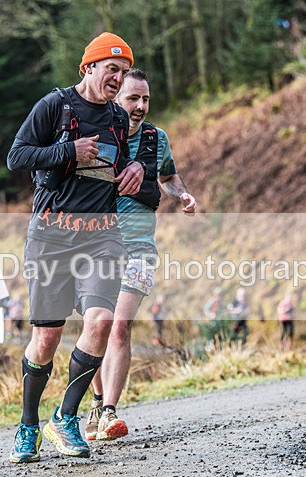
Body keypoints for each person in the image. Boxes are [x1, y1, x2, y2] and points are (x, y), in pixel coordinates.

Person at [5, 32, 144, 463]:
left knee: (101, 321)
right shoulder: (55, 107)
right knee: (47, 337)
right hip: (50, 235)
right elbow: (17, 156)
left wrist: (135, 168)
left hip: (101, 236)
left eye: (123, 73)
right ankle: (28, 425)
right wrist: (68, 150)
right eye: (111, 71)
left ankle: (66, 417)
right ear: (89, 68)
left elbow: (125, 161)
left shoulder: (120, 120)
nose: (117, 81)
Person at [86, 68, 197, 442]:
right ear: (117, 99)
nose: (140, 106)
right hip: (97, 246)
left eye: (146, 99)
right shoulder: (98, 136)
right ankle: (97, 403)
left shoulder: (156, 138)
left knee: (120, 325)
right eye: (133, 98)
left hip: (140, 249)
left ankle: (111, 413)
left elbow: (168, 177)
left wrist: (182, 195)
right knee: (96, 327)